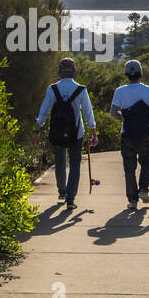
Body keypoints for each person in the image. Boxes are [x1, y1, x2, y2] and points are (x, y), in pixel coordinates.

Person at [34, 57, 98, 211]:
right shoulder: (81, 90)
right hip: (77, 133)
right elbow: (88, 113)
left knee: (60, 162)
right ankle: (70, 199)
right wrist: (94, 133)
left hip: (57, 132)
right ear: (74, 71)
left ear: (60, 71)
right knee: (75, 165)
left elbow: (43, 112)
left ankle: (62, 192)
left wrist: (36, 131)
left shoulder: (52, 89)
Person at [110, 59, 149, 210]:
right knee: (146, 163)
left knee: (129, 168)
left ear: (127, 74)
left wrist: (125, 118)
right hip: (146, 136)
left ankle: (132, 201)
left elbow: (113, 113)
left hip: (127, 135)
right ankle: (143, 190)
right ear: (141, 73)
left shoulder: (120, 91)